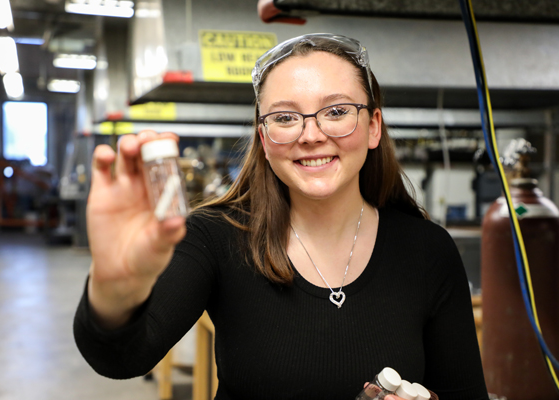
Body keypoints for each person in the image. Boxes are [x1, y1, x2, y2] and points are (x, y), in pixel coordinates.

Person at [74, 33, 488, 400]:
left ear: (374, 126)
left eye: (337, 111)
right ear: (264, 137)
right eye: (286, 117)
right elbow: (121, 359)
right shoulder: (216, 237)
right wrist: (114, 287)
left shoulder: (428, 251)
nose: (311, 135)